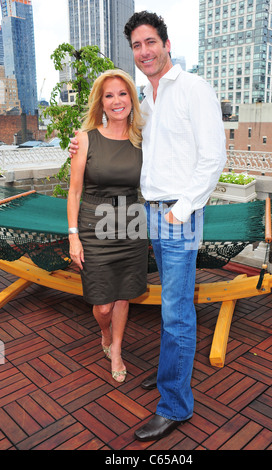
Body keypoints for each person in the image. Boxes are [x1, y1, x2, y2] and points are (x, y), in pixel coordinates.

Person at [69, 11, 227, 441]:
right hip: (147, 215)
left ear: (166, 44)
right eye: (137, 46)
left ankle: (175, 404)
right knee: (165, 306)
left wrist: (181, 209)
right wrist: (79, 142)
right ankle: (167, 377)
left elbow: (214, 158)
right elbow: (121, 140)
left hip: (177, 215)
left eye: (150, 43)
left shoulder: (193, 89)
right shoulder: (148, 100)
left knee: (177, 313)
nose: (144, 52)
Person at [67, 68, 148, 384]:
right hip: (94, 227)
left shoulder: (143, 138)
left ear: (132, 98)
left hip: (132, 226)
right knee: (102, 305)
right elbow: (74, 191)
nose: (117, 101)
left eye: (123, 93)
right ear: (100, 103)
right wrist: (73, 236)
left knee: (123, 295)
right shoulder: (85, 139)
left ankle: (116, 349)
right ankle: (105, 333)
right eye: (109, 95)